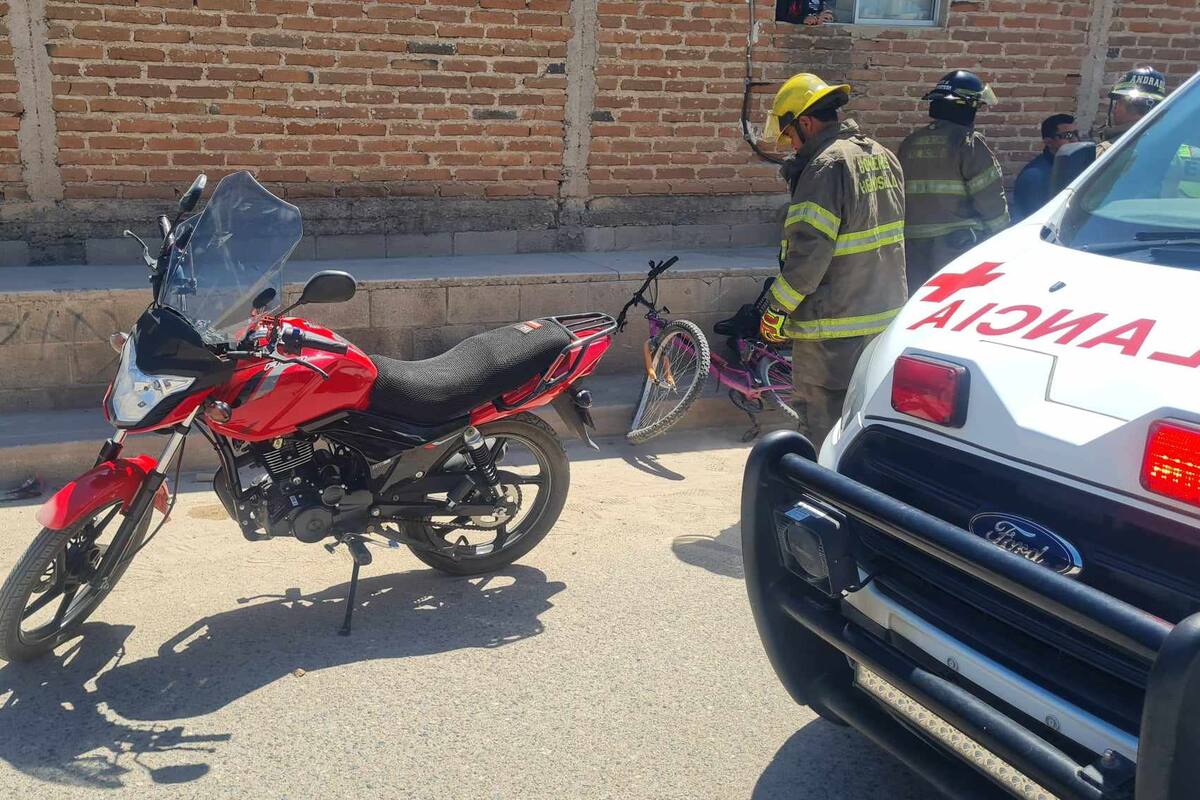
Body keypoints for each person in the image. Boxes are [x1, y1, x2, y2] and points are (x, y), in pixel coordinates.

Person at [758, 73, 907, 447]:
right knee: (866, 421)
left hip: (832, 329)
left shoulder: (825, 167)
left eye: (790, 134)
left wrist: (776, 309)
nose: (791, 145)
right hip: (884, 322)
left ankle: (826, 496)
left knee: (821, 422)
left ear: (805, 122)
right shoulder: (882, 155)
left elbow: (809, 254)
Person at [898, 70, 1009, 290]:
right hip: (957, 249)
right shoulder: (968, 143)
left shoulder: (910, 143)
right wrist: (1004, 240)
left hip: (913, 251)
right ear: (966, 106)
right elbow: (991, 200)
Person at [1011, 114, 1078, 222]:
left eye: (1076, 134)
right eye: (1068, 136)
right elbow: (1036, 221)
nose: (1075, 140)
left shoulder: (1070, 166)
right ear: (1048, 142)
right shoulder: (1034, 176)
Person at [1096, 66, 1167, 156]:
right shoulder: (1171, 151)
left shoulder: (1106, 152)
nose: (1114, 108)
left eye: (1117, 102)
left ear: (1120, 105)